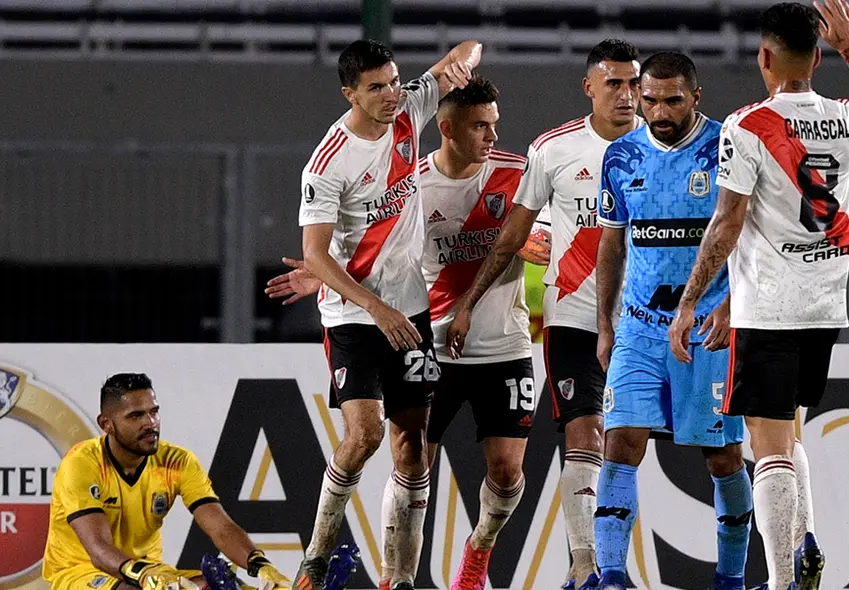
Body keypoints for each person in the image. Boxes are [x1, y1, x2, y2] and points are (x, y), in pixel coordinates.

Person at [268, 76, 546, 590]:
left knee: (508, 473)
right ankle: (395, 579)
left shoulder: (520, 174)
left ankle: (480, 547)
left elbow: (546, 238)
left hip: (503, 344)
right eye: (480, 126)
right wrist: (322, 273)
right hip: (431, 340)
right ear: (447, 128)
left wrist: (530, 242)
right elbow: (373, 247)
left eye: (494, 124)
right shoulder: (410, 180)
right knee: (410, 455)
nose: (492, 135)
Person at [668, 2, 849, 589]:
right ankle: (807, 541)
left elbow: (727, 222)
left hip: (768, 307)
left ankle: (780, 580)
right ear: (818, 57)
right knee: (787, 430)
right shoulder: (846, 118)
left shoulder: (747, 126)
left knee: (767, 443)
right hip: (824, 306)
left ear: (764, 57)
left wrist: (690, 300)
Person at [443, 39, 642, 590]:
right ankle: (585, 566)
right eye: (614, 83)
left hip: (647, 321)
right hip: (573, 318)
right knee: (587, 434)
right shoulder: (554, 150)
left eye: (633, 83)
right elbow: (516, 234)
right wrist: (467, 303)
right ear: (589, 87)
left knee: (652, 447)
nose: (626, 95)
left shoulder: (663, 145)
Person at [294, 38, 481, 590]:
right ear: (349, 94)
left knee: (413, 448)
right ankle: (316, 554)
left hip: (411, 312)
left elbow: (467, 50)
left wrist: (463, 63)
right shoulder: (328, 161)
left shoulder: (409, 110)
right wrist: (376, 307)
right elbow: (314, 255)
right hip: (353, 318)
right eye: (376, 87)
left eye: (395, 81)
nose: (391, 94)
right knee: (364, 436)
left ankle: (397, 579)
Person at [592, 52, 751, 590]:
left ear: (696, 97)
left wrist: (731, 306)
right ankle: (612, 574)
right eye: (650, 100)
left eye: (673, 101)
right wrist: (606, 324)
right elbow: (612, 244)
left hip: (708, 328)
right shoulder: (621, 156)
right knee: (620, 441)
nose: (659, 112)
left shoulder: (726, 148)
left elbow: (752, 234)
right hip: (639, 326)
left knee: (722, 456)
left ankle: (731, 577)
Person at [41, 373, 299, 590]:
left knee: (217, 586)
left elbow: (220, 527)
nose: (150, 423)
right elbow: (98, 550)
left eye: (154, 412)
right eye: (136, 416)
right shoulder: (81, 464)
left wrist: (260, 565)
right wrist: (144, 575)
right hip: (80, 573)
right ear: (106, 424)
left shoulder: (178, 461)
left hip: (152, 573)